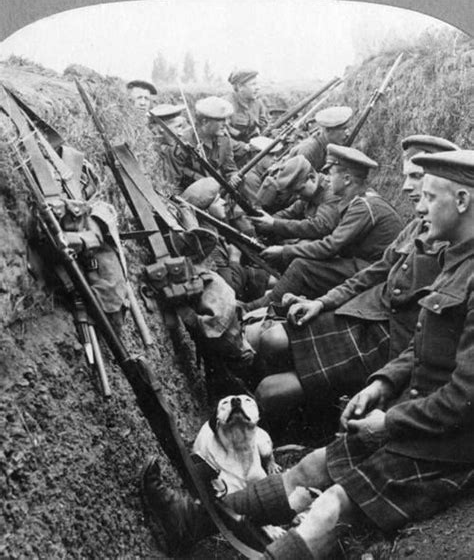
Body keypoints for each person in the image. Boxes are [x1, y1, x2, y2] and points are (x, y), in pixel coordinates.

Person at [142, 149, 474, 559]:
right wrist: (383, 383)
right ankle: (191, 519)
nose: (418, 204)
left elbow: (464, 398)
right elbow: (422, 343)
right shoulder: (457, 257)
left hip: (448, 444)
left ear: (462, 202)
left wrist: (388, 421)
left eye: (430, 196)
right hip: (419, 413)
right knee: (312, 466)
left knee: (329, 508)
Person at [252, 135, 459, 424]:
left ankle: (300, 420)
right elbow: (375, 272)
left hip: (390, 340)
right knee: (271, 339)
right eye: (407, 176)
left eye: (417, 177)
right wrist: (323, 302)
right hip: (366, 311)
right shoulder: (417, 226)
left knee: (270, 390)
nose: (406, 186)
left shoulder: (455, 245)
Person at [244, 144, 403, 310]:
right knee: (304, 260)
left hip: (377, 270)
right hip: (370, 264)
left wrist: (285, 251)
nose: (326, 178)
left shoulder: (363, 206)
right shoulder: (359, 201)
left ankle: (255, 308)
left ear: (347, 179)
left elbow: (330, 246)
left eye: (331, 173)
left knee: (302, 266)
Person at [180, 177, 271, 303]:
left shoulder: (212, 227)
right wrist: (234, 259)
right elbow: (232, 288)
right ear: (206, 211)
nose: (223, 202)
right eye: (217, 200)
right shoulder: (209, 242)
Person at [251, 154, 340, 241]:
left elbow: (319, 227)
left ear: (312, 178)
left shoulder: (331, 192)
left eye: (298, 191)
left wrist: (274, 223)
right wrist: (265, 221)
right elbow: (289, 213)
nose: (297, 196)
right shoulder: (309, 193)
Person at [170, 96, 241, 193]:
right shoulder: (183, 143)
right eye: (220, 120)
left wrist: (233, 176)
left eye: (226, 119)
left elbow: (230, 168)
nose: (226, 124)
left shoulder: (224, 140)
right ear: (205, 122)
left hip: (219, 193)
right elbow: (173, 185)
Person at [288, 105, 353, 171]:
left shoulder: (333, 146)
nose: (348, 133)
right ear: (328, 130)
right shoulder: (308, 151)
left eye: (348, 128)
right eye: (343, 129)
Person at [226, 69, 269, 153]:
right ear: (239, 87)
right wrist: (245, 147)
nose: (258, 87)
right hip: (234, 153)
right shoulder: (227, 105)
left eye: (257, 84)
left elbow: (264, 126)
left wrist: (272, 132)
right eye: (253, 84)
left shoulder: (258, 103)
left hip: (254, 149)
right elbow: (222, 138)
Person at [148, 103, 186, 186]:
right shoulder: (151, 150)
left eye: (181, 127)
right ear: (162, 128)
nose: (181, 133)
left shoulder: (172, 148)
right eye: (177, 127)